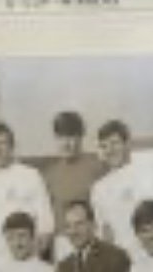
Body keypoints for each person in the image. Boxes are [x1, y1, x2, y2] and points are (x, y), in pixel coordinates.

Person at [0, 122, 54, 272]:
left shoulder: (31, 175)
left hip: (27, 261)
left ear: (12, 146)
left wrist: (32, 260)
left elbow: (45, 225)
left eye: (2, 143)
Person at [41, 111, 105, 260]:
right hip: (63, 243)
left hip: (92, 241)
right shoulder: (49, 174)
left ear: (81, 138)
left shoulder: (97, 168)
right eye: (61, 138)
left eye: (72, 137)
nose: (67, 143)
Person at [90, 120, 149, 261]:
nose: (110, 150)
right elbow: (104, 232)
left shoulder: (145, 175)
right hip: (117, 261)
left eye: (114, 143)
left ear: (127, 144)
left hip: (146, 255)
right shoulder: (98, 188)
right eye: (104, 146)